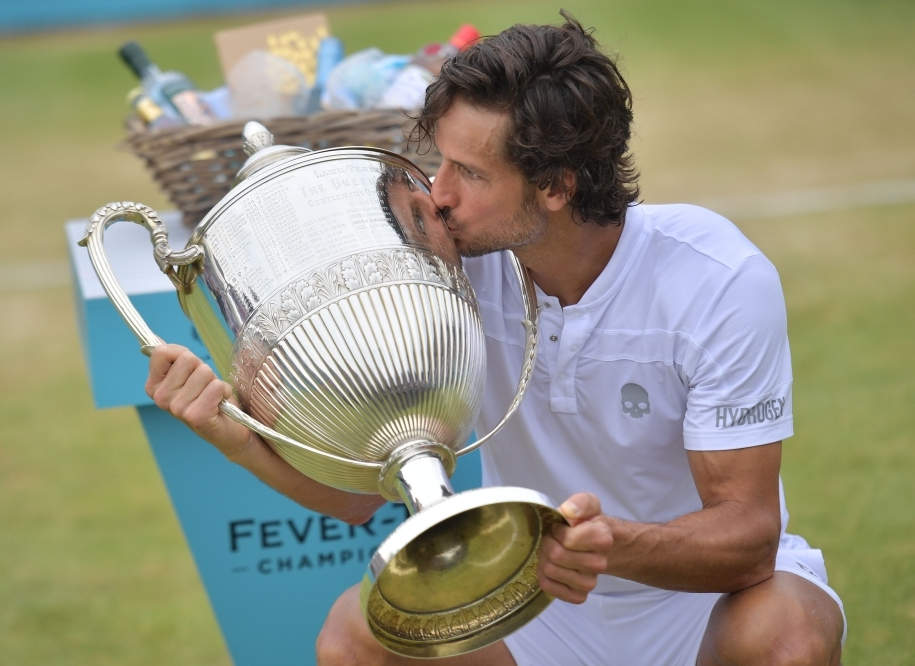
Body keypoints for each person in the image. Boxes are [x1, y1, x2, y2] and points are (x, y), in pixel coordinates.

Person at [145, 12, 846, 666]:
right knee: (354, 641)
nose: (437, 195)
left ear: (557, 187)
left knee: (785, 633)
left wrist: (608, 546)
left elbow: (749, 541)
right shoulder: (443, 265)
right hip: (534, 599)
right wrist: (233, 435)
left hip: (698, 600)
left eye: (470, 174)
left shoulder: (717, 279)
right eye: (438, 162)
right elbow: (364, 496)